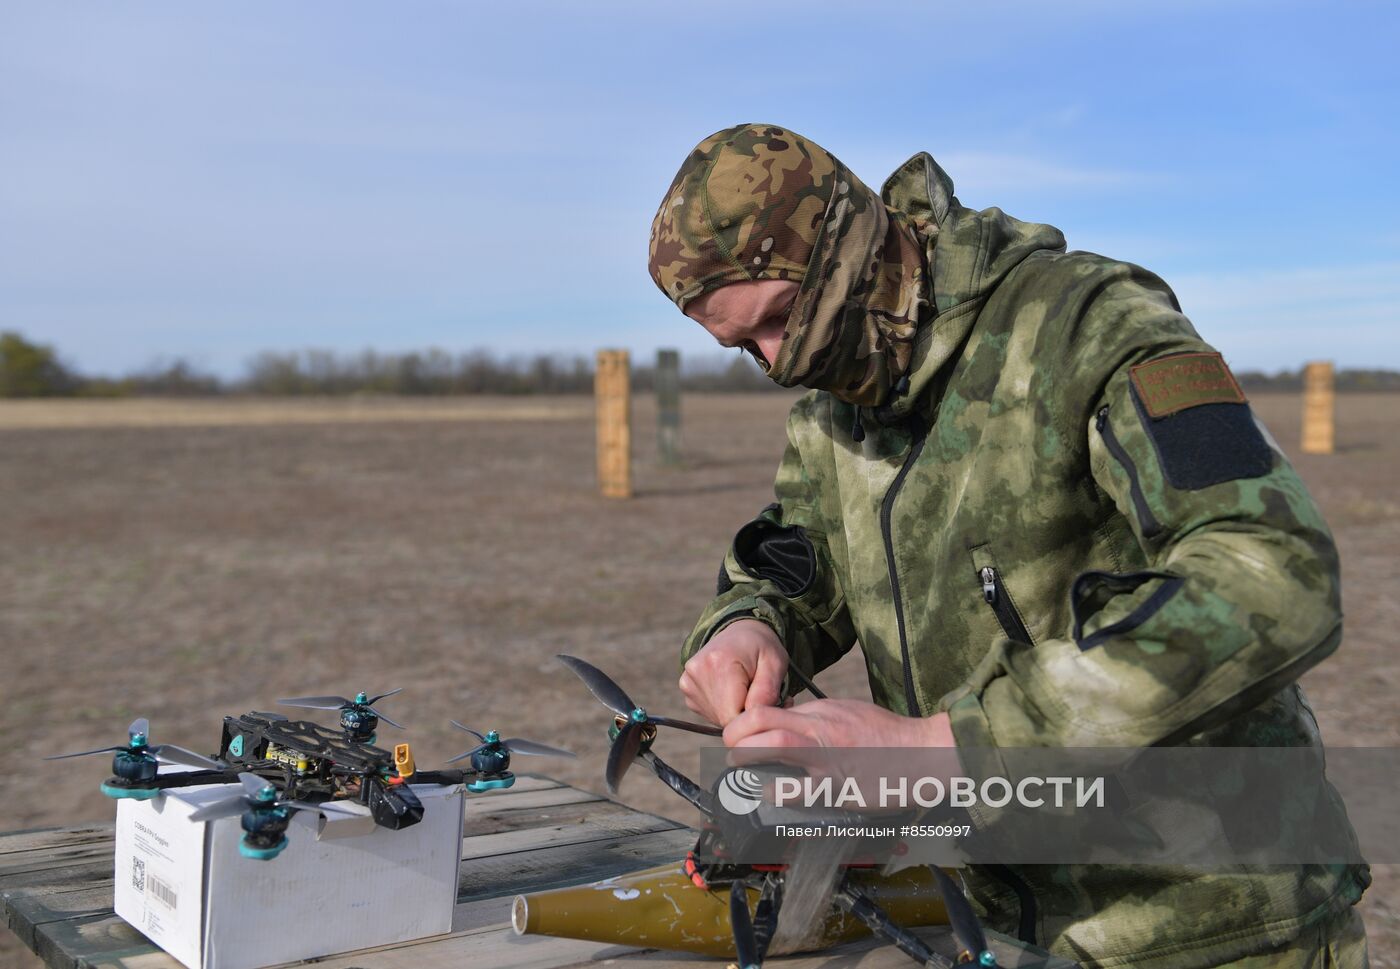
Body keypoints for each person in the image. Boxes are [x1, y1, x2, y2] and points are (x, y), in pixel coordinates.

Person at [647, 123, 1370, 969]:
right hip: (984, 926)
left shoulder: (1087, 322)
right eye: (744, 347)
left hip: (1214, 923)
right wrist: (747, 625)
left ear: (845, 243)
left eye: (781, 318)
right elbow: (796, 556)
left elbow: (1270, 574)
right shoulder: (833, 408)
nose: (780, 363)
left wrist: (947, 751)